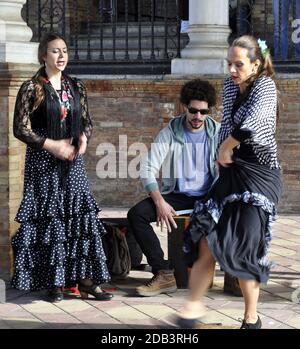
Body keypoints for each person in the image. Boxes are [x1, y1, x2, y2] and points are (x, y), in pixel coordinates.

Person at [176, 35, 282, 329]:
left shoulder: (266, 86)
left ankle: (251, 318)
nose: (232, 70)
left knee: (244, 248)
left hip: (259, 176)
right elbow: (229, 125)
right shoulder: (230, 85)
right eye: (229, 63)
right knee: (207, 237)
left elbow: (254, 125)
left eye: (238, 64)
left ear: (256, 64)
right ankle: (192, 309)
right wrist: (221, 152)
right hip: (231, 173)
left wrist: (225, 148)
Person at [11, 32, 113, 303]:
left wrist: (84, 139)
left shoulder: (76, 86)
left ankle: (86, 280)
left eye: (64, 50)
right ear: (43, 55)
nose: (61, 56)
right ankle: (54, 283)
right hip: (44, 161)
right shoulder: (32, 87)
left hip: (72, 163)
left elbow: (87, 121)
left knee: (79, 218)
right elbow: (20, 129)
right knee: (51, 220)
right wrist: (52, 145)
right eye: (55, 51)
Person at [127, 79, 220, 297]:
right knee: (136, 214)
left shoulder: (217, 133)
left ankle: (225, 273)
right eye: (193, 110)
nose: (198, 116)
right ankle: (163, 273)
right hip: (176, 195)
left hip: (208, 197)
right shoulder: (170, 132)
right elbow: (148, 168)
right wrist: (159, 201)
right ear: (184, 107)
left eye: (203, 112)